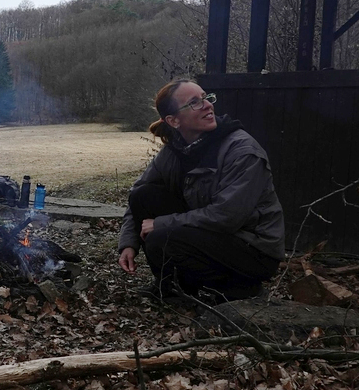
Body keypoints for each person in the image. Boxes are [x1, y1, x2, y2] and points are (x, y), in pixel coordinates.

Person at [117, 79, 285, 303]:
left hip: (253, 249)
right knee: (144, 196)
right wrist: (129, 243)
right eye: (194, 102)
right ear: (173, 121)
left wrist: (162, 223)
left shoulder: (242, 151)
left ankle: (240, 288)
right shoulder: (175, 149)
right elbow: (137, 195)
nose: (207, 105)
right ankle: (173, 287)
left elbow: (227, 216)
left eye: (206, 97)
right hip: (213, 234)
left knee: (160, 237)